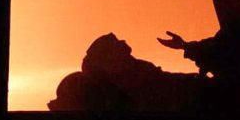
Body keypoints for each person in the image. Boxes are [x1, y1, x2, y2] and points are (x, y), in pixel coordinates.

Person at [48, 33, 203, 112]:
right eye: (116, 44)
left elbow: (166, 81)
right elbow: (166, 85)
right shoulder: (130, 81)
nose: (123, 43)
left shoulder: (135, 73)